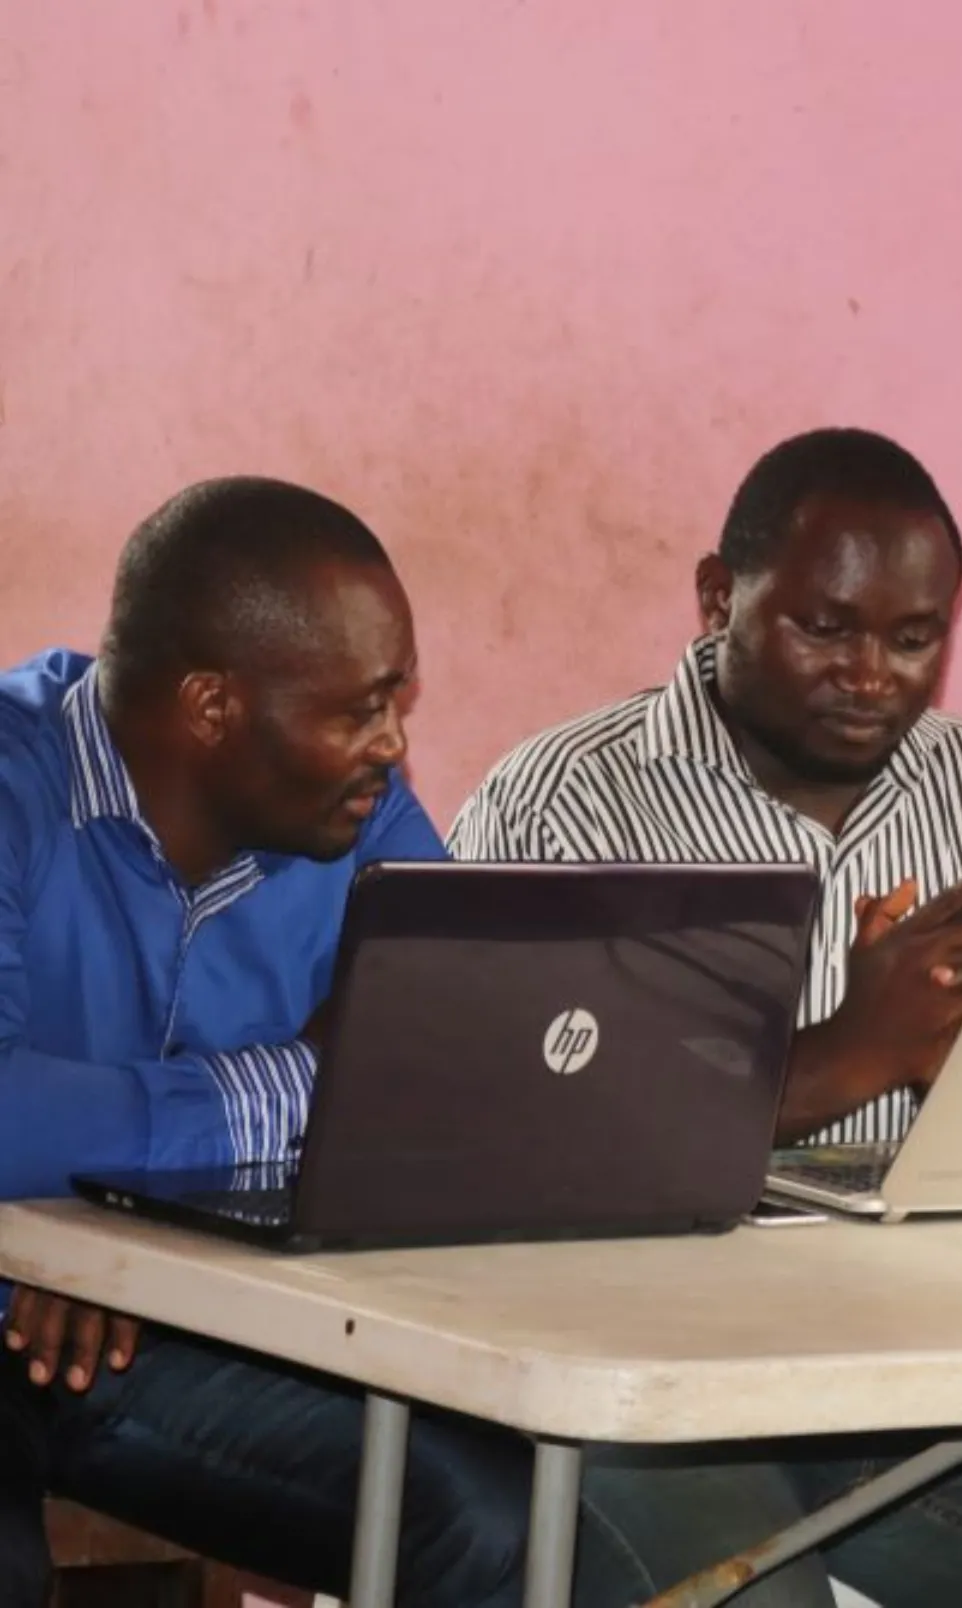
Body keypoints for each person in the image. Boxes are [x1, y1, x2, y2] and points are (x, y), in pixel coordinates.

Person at [448, 426, 962, 1608]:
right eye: (825, 628)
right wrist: (852, 1052)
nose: (873, 675)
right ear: (716, 598)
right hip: (653, 1379)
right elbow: (507, 1155)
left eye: (915, 639)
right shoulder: (564, 800)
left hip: (925, 1363)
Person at [0, 478, 830, 1608]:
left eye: (400, 699)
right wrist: (291, 1086)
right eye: (359, 708)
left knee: (513, 1513)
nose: (393, 744)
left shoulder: (362, 813)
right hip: (36, 1330)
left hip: (199, 1314)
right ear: (210, 707)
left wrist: (106, 1222)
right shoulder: (16, 787)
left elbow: (460, 1075)